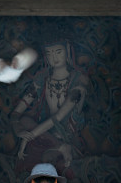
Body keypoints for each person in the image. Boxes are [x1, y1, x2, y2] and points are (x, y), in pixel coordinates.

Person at [11, 39, 88, 168]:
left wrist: (28, 137)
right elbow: (18, 111)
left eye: (58, 52)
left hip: (65, 134)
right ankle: (57, 146)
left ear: (67, 51)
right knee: (25, 121)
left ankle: (62, 147)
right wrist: (17, 128)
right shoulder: (43, 78)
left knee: (46, 158)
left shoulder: (78, 81)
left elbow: (58, 117)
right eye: (49, 53)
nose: (54, 57)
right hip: (44, 132)